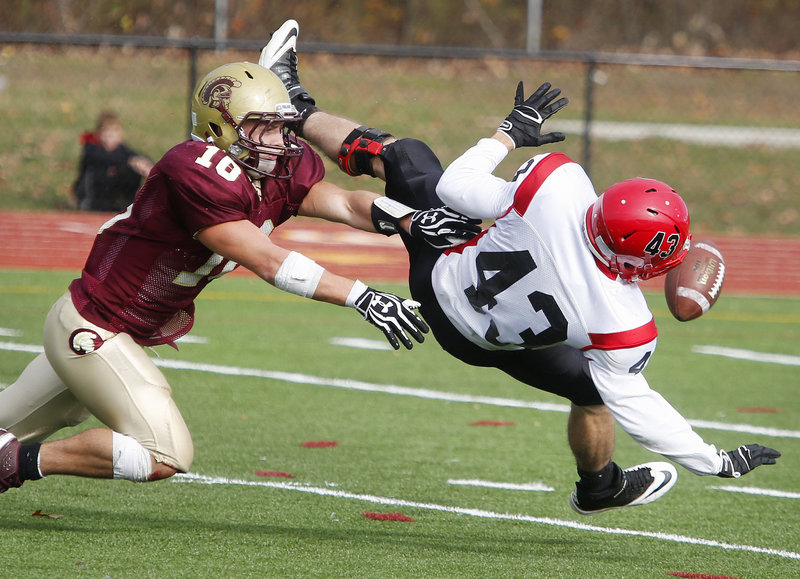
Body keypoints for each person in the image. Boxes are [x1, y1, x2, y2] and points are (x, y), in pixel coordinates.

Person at [260, 19, 781, 514]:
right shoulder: (623, 323)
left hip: (442, 272)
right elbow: (644, 413)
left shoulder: (558, 187)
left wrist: (508, 133)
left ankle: (293, 108)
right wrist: (714, 461)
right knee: (597, 390)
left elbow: (453, 188)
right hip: (483, 344)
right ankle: (598, 487)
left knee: (406, 155)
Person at [0, 60, 484, 494]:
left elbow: (339, 200)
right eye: (262, 127)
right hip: (94, 327)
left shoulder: (273, 169)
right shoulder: (194, 169)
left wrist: (407, 220)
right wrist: (361, 296)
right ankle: (15, 463)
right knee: (162, 453)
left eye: (279, 126)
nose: (277, 140)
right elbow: (267, 260)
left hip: (118, 330)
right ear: (220, 129)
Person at [73, 111, 155, 212]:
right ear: (98, 134)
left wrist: (145, 165)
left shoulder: (122, 150)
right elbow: (106, 159)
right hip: (93, 199)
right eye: (106, 132)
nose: (110, 136)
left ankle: (128, 205)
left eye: (114, 132)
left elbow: (136, 157)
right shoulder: (92, 149)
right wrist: (131, 163)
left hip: (112, 199)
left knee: (133, 172)